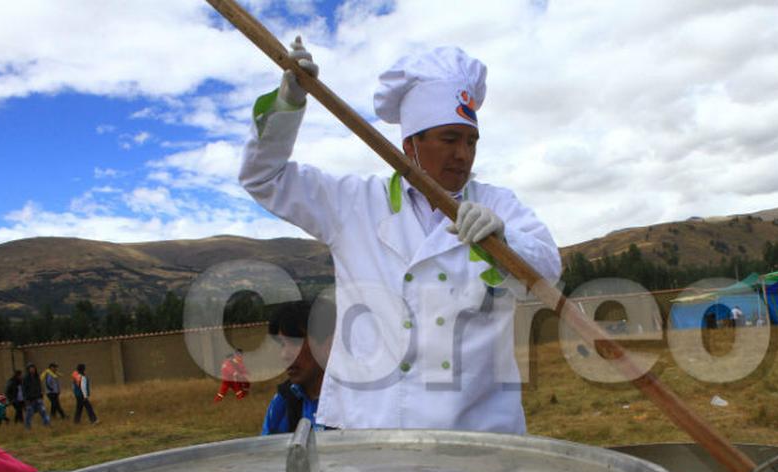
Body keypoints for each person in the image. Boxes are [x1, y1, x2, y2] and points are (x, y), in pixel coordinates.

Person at [240, 40, 561, 433]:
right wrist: (287, 105)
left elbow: (548, 273)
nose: (463, 154)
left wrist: (506, 241)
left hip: (477, 433)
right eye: (449, 139)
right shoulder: (354, 203)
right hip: (368, 428)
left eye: (470, 140)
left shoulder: (498, 206)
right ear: (410, 145)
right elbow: (263, 178)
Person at [261, 299, 336, 435]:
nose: (284, 355)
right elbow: (267, 453)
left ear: (328, 344)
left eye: (295, 343)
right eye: (282, 344)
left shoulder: (356, 403)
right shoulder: (283, 402)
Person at [21, 363, 50, 429]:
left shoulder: (37, 377)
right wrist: (26, 400)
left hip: (38, 398)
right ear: (28, 369)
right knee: (29, 414)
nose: (32, 370)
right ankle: (27, 427)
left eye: (33, 368)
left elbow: (39, 387)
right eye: (31, 368)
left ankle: (47, 424)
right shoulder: (25, 378)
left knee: (43, 411)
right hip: (30, 400)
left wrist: (41, 394)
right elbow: (24, 390)